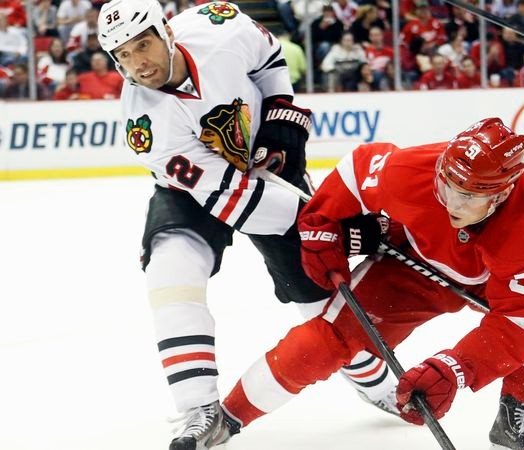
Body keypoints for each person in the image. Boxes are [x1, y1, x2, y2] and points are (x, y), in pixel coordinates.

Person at [96, 1, 397, 449]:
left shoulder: (218, 25)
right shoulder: (146, 125)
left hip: (267, 165)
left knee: (320, 300)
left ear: (167, 33)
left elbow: (269, 58)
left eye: (143, 45)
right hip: (194, 192)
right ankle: (199, 409)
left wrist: (280, 111)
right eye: (123, 55)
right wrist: (329, 224)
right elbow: (237, 201)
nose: (138, 63)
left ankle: (380, 386)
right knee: (170, 270)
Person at [220, 118, 524, 450]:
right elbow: (355, 172)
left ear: (501, 195)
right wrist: (320, 223)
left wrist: (456, 368)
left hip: (494, 275)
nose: (452, 204)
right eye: (447, 187)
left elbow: (522, 322)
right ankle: (227, 418)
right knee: (330, 339)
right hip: (417, 265)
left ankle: (518, 414)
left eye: (468, 197)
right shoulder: (414, 170)